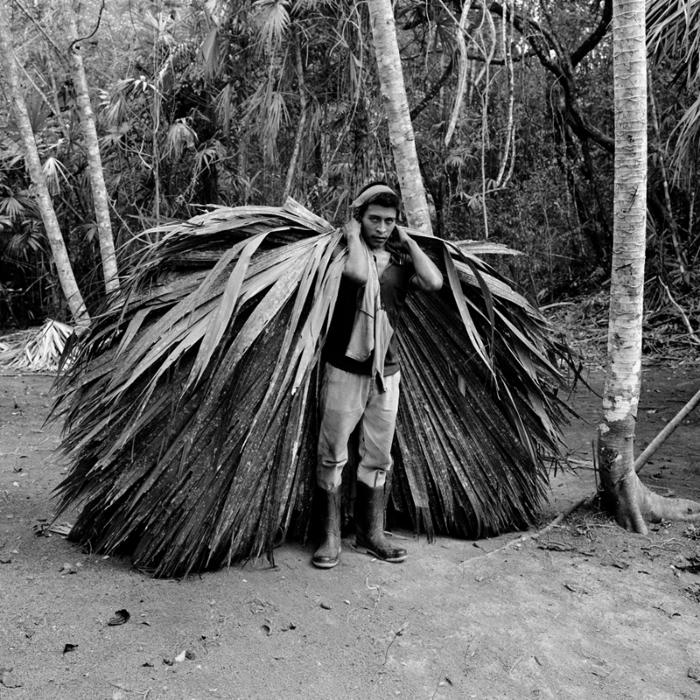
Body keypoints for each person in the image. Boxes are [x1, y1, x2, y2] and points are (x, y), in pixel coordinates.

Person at [313, 182, 443, 569]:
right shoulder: (339, 254)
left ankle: (371, 534)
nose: (382, 228)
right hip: (344, 370)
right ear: (359, 218)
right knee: (332, 453)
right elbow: (356, 274)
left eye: (389, 221)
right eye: (374, 219)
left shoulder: (400, 265)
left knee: (378, 456)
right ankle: (330, 538)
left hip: (387, 374)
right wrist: (353, 235)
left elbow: (435, 281)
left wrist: (409, 241)